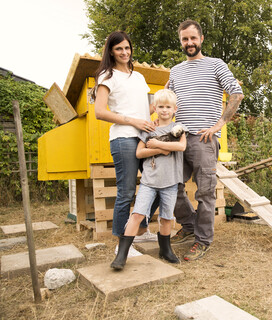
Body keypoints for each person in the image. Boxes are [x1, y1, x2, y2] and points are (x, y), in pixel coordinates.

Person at [168, 19, 244, 261]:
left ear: (201, 39)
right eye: (184, 39)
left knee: (205, 192)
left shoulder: (215, 65)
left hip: (204, 138)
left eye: (193, 38)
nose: (189, 43)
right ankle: (190, 226)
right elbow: (166, 99)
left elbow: (236, 93)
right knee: (171, 186)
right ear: (180, 42)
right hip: (178, 137)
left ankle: (202, 241)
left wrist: (219, 125)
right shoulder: (175, 71)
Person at [110, 89, 188, 270]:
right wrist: (160, 150)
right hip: (149, 181)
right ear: (155, 107)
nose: (164, 110)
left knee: (166, 217)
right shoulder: (149, 130)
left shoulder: (179, 128)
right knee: (137, 214)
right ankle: (122, 254)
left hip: (170, 181)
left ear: (175, 109)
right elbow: (139, 152)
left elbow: (181, 146)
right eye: (160, 106)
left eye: (168, 107)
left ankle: (165, 250)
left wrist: (159, 143)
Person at [93, 30, 157, 243]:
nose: (124, 52)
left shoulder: (138, 76)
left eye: (127, 48)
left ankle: (139, 228)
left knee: (156, 185)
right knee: (127, 193)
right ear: (111, 52)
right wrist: (134, 121)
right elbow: (100, 112)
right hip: (124, 139)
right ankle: (123, 242)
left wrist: (159, 107)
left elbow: (143, 109)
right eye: (119, 48)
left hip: (145, 139)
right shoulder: (107, 76)